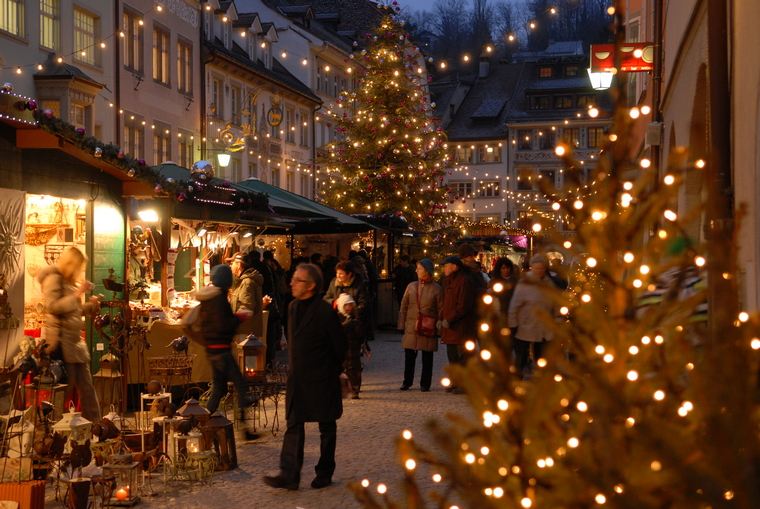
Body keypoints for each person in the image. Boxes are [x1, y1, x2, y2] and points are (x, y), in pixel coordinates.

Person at [264, 263, 347, 491]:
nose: (291, 283)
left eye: (297, 280)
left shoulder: (324, 312)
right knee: (294, 424)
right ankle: (289, 474)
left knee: (326, 425)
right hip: (298, 379)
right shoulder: (291, 307)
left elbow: (340, 345)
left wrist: (334, 369)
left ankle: (325, 471)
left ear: (310, 286)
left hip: (322, 377)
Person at [37, 246, 101, 421]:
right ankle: (57, 430)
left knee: (87, 389)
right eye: (78, 267)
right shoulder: (53, 279)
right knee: (64, 391)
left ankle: (96, 427)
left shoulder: (70, 282)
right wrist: (77, 294)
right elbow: (53, 306)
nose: (80, 271)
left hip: (76, 345)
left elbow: (75, 310)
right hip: (62, 344)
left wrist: (91, 306)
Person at [197, 264, 258, 440]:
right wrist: (239, 318)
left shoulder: (209, 299)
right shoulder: (219, 300)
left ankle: (203, 424)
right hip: (222, 350)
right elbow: (224, 325)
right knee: (240, 385)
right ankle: (244, 430)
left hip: (213, 350)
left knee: (219, 389)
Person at [508, 253, 557, 379]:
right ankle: (517, 379)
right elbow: (514, 305)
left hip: (543, 327)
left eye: (542, 268)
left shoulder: (548, 283)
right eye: (536, 268)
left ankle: (541, 379)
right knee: (521, 356)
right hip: (526, 325)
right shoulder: (524, 283)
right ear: (532, 267)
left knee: (541, 356)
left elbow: (554, 304)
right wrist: (513, 324)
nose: (539, 271)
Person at [397, 259, 442, 392]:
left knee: (427, 356)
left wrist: (439, 328)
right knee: (409, 355)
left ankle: (425, 383)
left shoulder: (436, 289)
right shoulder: (411, 286)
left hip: (428, 326)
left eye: (419, 268)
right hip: (411, 325)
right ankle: (407, 381)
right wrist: (401, 324)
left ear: (427, 271)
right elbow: (403, 306)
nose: (416, 270)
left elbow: (441, 309)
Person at [439, 255, 477, 393]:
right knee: (452, 356)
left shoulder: (464, 281)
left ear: (454, 267)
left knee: (462, 357)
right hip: (450, 327)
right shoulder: (448, 281)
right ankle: (455, 381)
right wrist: (442, 317)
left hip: (461, 327)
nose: (444, 268)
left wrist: (449, 319)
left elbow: (463, 306)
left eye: (446, 265)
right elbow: (446, 302)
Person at [228, 252, 264, 338]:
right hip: (245, 331)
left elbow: (246, 309)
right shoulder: (242, 281)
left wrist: (231, 322)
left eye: (232, 263)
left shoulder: (247, 282)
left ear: (239, 265)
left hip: (245, 333)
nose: (230, 266)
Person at [335, 293, 363, 399]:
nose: (348, 308)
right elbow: (337, 331)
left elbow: (361, 333)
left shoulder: (356, 317)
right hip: (343, 347)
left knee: (355, 369)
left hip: (354, 347)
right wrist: (346, 325)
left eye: (350, 305)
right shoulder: (338, 317)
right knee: (344, 368)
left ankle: (355, 389)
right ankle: (344, 388)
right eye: (346, 305)